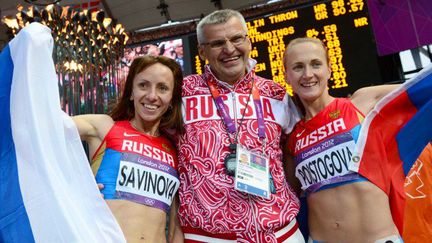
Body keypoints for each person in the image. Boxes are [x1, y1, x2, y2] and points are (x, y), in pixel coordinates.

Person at [176, 9, 304, 242]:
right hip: (209, 236)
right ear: (202, 51)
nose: (229, 49)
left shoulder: (276, 94)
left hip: (281, 233)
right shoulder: (182, 93)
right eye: (217, 43)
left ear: (249, 41)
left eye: (236, 38)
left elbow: (292, 152)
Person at [283, 37, 402, 243]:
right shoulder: (293, 139)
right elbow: (288, 197)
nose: (308, 74)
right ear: (287, 76)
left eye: (316, 64)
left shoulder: (361, 103)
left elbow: (420, 93)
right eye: (298, 67)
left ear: (330, 69)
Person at [72, 55, 184, 243]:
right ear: (131, 92)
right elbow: (41, 128)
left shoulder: (176, 149)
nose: (151, 95)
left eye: (162, 88)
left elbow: (174, 228)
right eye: (143, 85)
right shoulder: (105, 127)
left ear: (172, 99)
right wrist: (72, 187)